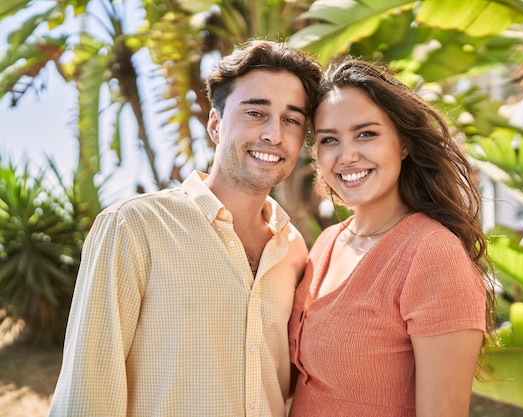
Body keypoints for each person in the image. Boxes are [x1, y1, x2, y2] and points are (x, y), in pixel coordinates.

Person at [48, 40, 322, 417]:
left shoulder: (293, 248)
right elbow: (86, 392)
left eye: (291, 119)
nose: (274, 134)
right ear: (215, 124)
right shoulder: (132, 227)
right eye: (256, 113)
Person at [288, 60, 496, 417]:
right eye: (329, 140)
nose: (347, 155)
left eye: (366, 134)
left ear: (402, 144)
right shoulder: (327, 242)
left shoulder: (432, 253)